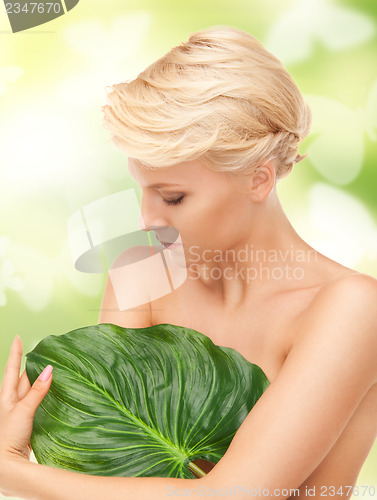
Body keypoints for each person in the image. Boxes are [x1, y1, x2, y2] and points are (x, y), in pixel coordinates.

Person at [1, 25, 377, 500]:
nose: (147, 217)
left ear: (259, 179)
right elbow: (110, 468)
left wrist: (11, 471)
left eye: (174, 197)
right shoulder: (141, 268)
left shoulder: (351, 309)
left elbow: (231, 497)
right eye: (144, 190)